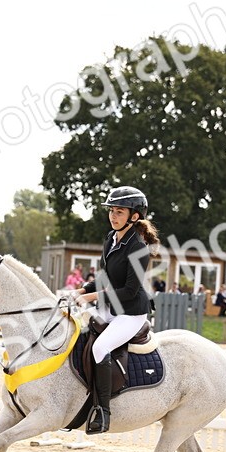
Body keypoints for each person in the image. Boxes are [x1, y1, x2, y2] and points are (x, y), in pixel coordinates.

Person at [78, 186, 159, 435]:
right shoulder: (111, 239)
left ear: (134, 216)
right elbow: (105, 279)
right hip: (110, 308)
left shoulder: (139, 247)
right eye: (111, 211)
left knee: (101, 347)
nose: (113, 216)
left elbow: (129, 290)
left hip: (130, 313)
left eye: (119, 212)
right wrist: (80, 291)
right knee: (77, 332)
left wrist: (91, 296)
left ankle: (103, 412)